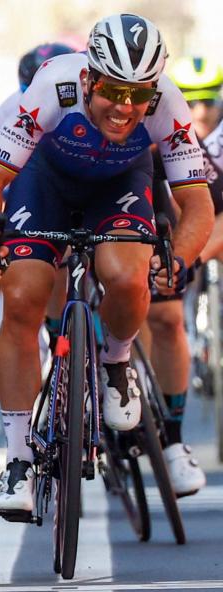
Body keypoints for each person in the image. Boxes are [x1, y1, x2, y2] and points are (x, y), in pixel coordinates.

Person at [0, 14, 213, 516]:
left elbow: (198, 203)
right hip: (46, 182)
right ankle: (17, 459)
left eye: (137, 94)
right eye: (111, 91)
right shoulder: (51, 85)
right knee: (21, 299)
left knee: (128, 276)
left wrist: (182, 262)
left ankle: (116, 363)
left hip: (119, 185)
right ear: (88, 79)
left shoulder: (167, 102)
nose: (125, 108)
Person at [142, 55, 223, 496]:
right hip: (74, 189)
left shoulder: (171, 121)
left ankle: (172, 438)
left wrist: (181, 260)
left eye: (207, 102)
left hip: (147, 191)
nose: (199, 111)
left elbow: (201, 204)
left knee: (166, 314)